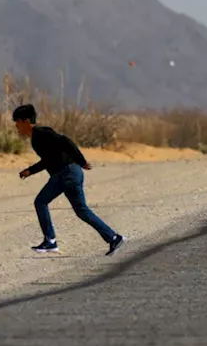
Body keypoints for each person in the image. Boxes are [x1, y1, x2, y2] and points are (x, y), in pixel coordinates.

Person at [12, 104, 124, 255]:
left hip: (66, 173)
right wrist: (30, 171)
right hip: (72, 172)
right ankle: (113, 237)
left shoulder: (40, 134)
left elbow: (66, 141)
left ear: (25, 121)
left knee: (40, 202)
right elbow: (48, 160)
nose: (16, 126)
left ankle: (50, 241)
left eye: (17, 122)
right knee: (82, 210)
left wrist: (81, 160)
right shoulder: (39, 136)